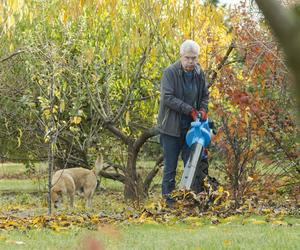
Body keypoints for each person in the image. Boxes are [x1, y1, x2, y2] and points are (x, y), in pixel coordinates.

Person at [157, 40, 209, 207]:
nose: (191, 62)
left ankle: (191, 201)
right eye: (187, 58)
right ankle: (168, 203)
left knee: (193, 166)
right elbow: (168, 98)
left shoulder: (199, 73)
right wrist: (189, 109)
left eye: (194, 58)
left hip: (192, 129)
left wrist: (202, 109)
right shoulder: (170, 73)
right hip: (171, 128)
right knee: (170, 168)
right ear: (181, 56)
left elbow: (205, 96)